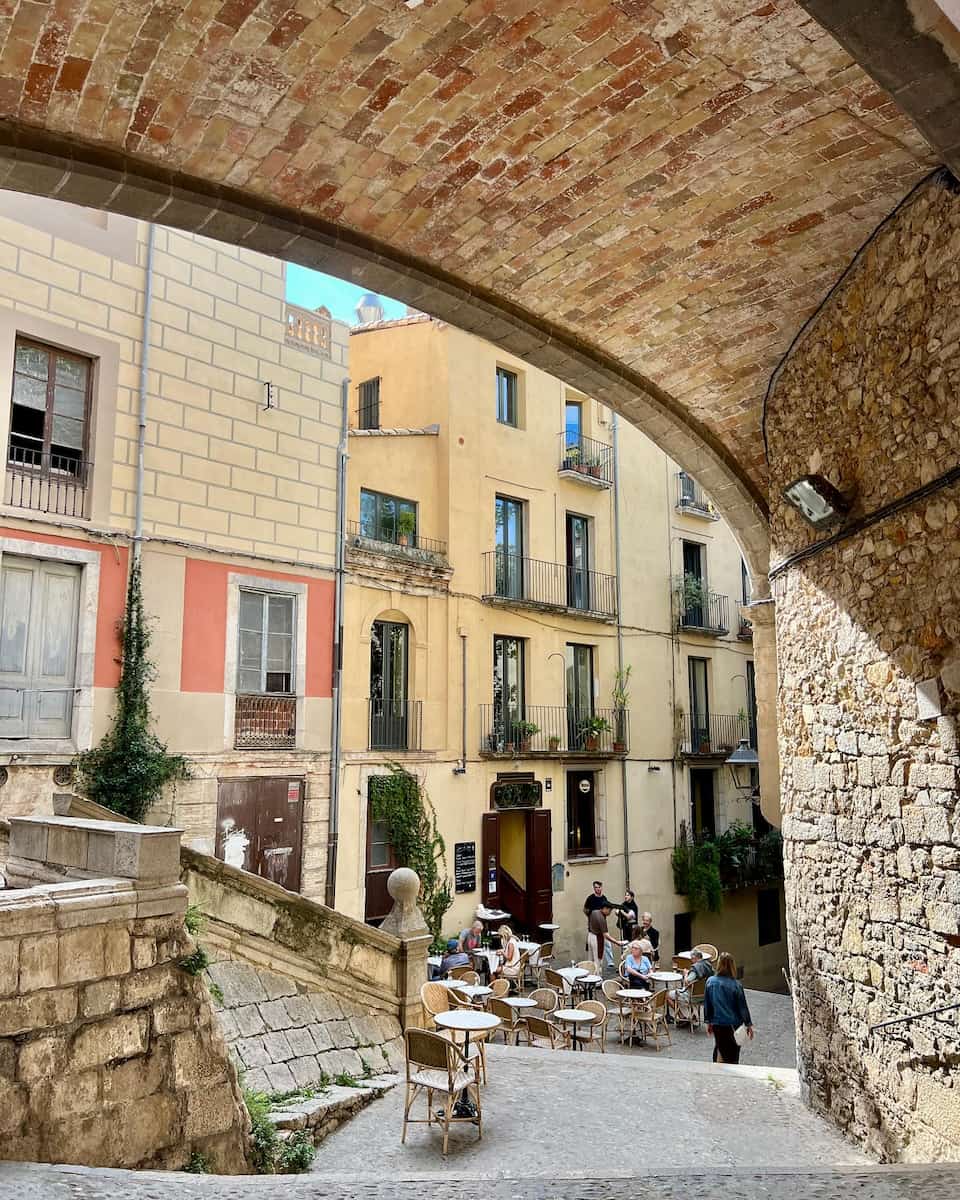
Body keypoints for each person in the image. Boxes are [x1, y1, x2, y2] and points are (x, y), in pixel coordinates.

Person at [704, 951, 754, 1064]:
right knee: (732, 1054)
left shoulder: (710, 982)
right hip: (733, 1025)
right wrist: (748, 1024)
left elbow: (708, 1004)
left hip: (717, 1024)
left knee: (720, 1048)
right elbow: (742, 1007)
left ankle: (717, 1069)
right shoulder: (736, 985)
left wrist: (708, 1022)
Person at [667, 948, 714, 1021]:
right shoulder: (708, 965)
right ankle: (693, 1014)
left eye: (691, 959)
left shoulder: (695, 968)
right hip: (705, 995)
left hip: (692, 997)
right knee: (690, 989)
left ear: (695, 958)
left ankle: (681, 1016)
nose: (691, 961)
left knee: (667, 995)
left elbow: (687, 981)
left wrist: (685, 974)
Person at [586, 904, 617, 970]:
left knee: (590, 960)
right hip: (596, 938)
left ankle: (591, 974)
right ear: (605, 908)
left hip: (590, 936)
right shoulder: (601, 918)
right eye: (610, 911)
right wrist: (617, 942)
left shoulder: (594, 912)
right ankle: (597, 975)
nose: (610, 913)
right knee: (598, 961)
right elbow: (606, 935)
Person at [496, 924, 523, 991]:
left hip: (512, 968)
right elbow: (509, 952)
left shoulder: (510, 943)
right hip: (515, 966)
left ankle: (498, 988)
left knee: (493, 970)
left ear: (504, 935)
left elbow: (509, 958)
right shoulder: (512, 940)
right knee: (496, 969)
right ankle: (503, 986)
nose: (501, 938)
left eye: (501, 936)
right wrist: (502, 950)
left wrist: (503, 953)